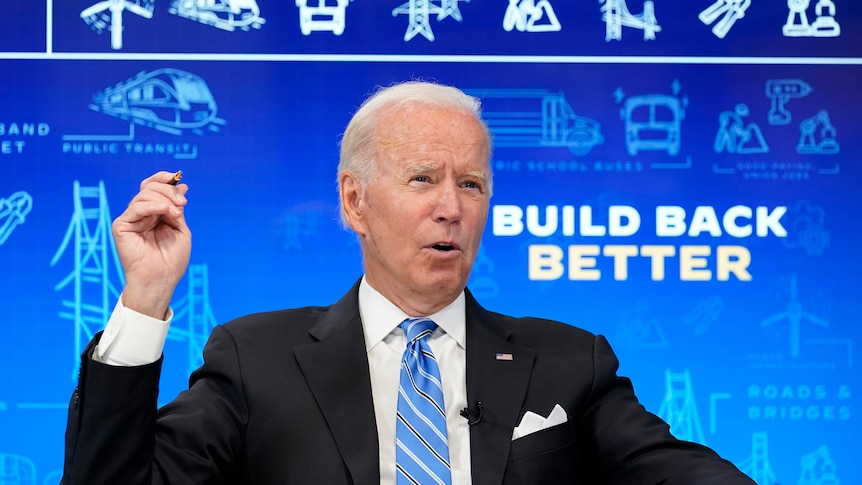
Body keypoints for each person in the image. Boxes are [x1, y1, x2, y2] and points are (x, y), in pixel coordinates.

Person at [62, 81, 755, 484]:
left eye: (472, 183)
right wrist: (146, 297)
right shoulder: (256, 359)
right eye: (423, 178)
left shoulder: (571, 362)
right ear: (354, 200)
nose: (451, 205)